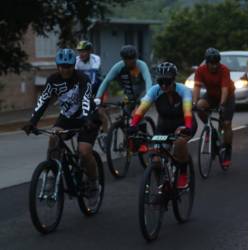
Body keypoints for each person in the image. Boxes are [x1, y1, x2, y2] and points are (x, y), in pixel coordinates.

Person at [22, 48, 101, 202]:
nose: (65, 69)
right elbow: (43, 100)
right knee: (53, 137)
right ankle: (51, 176)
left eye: (69, 66)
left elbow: (85, 99)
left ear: (73, 66)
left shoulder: (82, 78)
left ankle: (93, 184)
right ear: (58, 66)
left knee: (84, 152)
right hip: (67, 118)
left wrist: (86, 119)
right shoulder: (53, 79)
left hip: (88, 118)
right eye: (62, 66)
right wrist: (32, 122)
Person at [129, 62, 197, 189]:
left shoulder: (183, 90)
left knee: (179, 143)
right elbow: (142, 109)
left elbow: (187, 111)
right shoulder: (155, 90)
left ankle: (183, 173)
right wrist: (133, 124)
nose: (164, 85)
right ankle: (161, 186)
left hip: (184, 123)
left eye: (168, 81)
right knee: (156, 159)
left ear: (174, 80)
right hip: (164, 126)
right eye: (161, 82)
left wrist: (187, 127)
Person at [193, 48, 235, 167]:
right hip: (211, 95)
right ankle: (210, 129)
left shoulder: (224, 70)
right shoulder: (200, 70)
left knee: (226, 123)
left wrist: (222, 105)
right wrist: (194, 103)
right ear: (206, 62)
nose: (214, 66)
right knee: (200, 106)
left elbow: (225, 90)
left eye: (216, 63)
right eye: (211, 63)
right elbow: (197, 87)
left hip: (227, 96)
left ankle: (227, 150)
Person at [94, 44, 152, 112]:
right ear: (123, 59)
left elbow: (148, 80)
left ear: (136, 58)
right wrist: (98, 97)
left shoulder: (142, 65)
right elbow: (106, 81)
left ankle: (140, 121)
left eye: (132, 59)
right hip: (128, 93)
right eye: (127, 60)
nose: (130, 62)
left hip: (142, 92)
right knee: (125, 113)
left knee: (138, 113)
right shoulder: (118, 66)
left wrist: (148, 96)